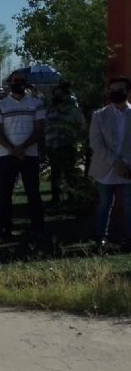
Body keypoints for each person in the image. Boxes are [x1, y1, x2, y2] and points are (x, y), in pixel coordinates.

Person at [0, 72, 46, 240]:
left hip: (29, 154)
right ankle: (4, 229)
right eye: (16, 81)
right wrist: (12, 148)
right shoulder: (0, 105)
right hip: (6, 155)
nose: (19, 83)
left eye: (22, 81)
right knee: (5, 194)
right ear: (9, 83)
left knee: (33, 192)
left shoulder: (36, 104)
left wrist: (22, 147)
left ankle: (37, 228)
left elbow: (39, 130)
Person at [88, 76, 131, 252]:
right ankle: (101, 239)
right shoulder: (99, 115)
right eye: (112, 90)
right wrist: (115, 162)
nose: (115, 93)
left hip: (128, 170)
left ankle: (129, 239)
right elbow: (95, 143)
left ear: (128, 92)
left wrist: (125, 163)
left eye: (120, 90)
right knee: (104, 205)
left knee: (129, 206)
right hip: (105, 169)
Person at [45, 82, 86, 205]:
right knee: (55, 173)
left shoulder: (74, 111)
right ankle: (56, 198)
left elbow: (82, 126)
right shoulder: (50, 110)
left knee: (69, 173)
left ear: (66, 95)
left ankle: (72, 197)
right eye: (56, 94)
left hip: (68, 146)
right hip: (52, 146)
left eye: (60, 94)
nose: (57, 96)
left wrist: (77, 141)